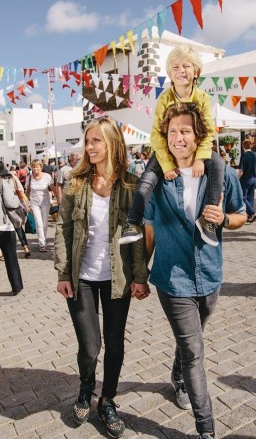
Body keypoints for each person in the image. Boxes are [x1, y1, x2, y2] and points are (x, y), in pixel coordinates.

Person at [143, 102, 246, 439]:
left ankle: (176, 376)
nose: (178, 137)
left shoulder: (222, 174)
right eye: (172, 132)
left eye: (185, 130)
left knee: (191, 341)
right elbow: (150, 230)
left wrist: (226, 220)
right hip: (171, 279)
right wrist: (138, 273)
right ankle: (206, 429)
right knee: (194, 351)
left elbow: (241, 215)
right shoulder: (158, 178)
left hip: (211, 275)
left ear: (198, 135)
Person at [54, 117, 149, 438]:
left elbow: (136, 235)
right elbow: (63, 229)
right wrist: (63, 272)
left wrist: (140, 276)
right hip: (81, 277)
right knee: (90, 345)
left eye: (96, 141)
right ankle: (85, 389)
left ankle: (108, 399)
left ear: (112, 144)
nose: (90, 147)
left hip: (118, 278)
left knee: (116, 342)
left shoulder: (131, 185)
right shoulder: (75, 183)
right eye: (87, 141)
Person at [120, 45, 225, 247]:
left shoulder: (202, 98)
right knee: (147, 178)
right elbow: (157, 134)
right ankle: (132, 222)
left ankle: (209, 221)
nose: (181, 70)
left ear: (196, 72)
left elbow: (208, 131)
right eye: (175, 67)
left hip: (197, 149)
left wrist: (201, 158)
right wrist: (167, 164)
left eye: (186, 66)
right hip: (165, 151)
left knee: (218, 163)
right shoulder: (164, 98)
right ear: (169, 73)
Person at [0, 165, 24, 295]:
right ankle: (16, 286)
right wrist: (16, 198)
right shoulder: (3, 183)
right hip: (4, 227)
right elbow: (10, 203)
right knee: (11, 258)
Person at [26, 159, 53, 252]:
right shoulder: (29, 177)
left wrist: (58, 198)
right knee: (39, 224)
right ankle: (42, 244)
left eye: (37, 167)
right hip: (34, 203)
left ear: (41, 167)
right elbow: (27, 191)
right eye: (33, 167)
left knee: (45, 224)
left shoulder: (47, 176)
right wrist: (26, 203)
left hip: (45, 202)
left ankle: (43, 240)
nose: (35, 169)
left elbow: (53, 188)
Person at [237, 139, 256, 224]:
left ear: (243, 146)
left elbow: (241, 170)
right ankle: (250, 216)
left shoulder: (244, 155)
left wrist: (237, 179)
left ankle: (252, 213)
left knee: (242, 197)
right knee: (250, 197)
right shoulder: (255, 155)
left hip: (246, 179)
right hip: (254, 178)